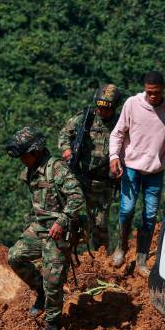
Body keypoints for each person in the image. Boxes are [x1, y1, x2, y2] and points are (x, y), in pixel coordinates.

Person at [109, 71, 165, 274]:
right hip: (130, 167)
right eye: (149, 92)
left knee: (150, 215)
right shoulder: (132, 104)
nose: (152, 96)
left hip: (155, 171)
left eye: (156, 92)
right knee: (127, 209)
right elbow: (118, 133)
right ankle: (121, 246)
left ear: (163, 89)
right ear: (144, 89)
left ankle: (141, 260)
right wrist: (114, 156)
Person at [5, 126, 85, 330]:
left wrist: (62, 220)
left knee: (54, 279)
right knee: (15, 256)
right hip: (40, 226)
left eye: (24, 155)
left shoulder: (56, 169)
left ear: (36, 151)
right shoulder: (32, 169)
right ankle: (40, 290)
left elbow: (77, 197)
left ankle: (52, 327)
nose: (22, 160)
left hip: (59, 230)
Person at [58, 84, 122, 251]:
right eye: (100, 107)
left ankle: (100, 258)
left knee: (100, 224)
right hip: (83, 178)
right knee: (72, 218)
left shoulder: (120, 122)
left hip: (105, 182)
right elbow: (65, 133)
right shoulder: (86, 118)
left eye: (107, 109)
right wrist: (66, 150)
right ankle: (67, 254)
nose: (103, 112)